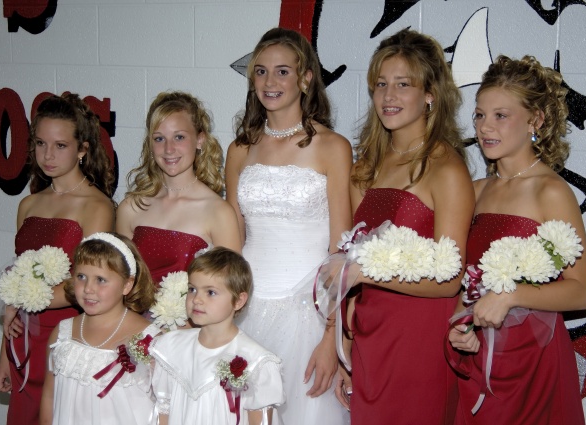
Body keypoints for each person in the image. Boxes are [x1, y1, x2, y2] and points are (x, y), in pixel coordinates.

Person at [448, 55, 586, 424]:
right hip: (478, 361)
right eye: (480, 115)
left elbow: (583, 292)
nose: (485, 126)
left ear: (535, 120)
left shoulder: (551, 191)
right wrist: (461, 325)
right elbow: (465, 280)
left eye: (501, 115)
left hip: (533, 365)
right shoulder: (475, 190)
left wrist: (511, 294)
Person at [339, 29, 475, 424]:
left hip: (420, 338)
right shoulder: (365, 167)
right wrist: (345, 338)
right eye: (381, 84)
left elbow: (450, 279)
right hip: (369, 333)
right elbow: (353, 252)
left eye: (403, 84)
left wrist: (364, 274)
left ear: (430, 94)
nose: (388, 96)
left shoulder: (447, 169)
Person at [225, 27, 352, 423]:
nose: (270, 82)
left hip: (309, 314)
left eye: (282, 71)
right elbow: (232, 242)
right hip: (245, 309)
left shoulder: (333, 147)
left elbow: (342, 252)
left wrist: (333, 339)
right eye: (261, 72)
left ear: (306, 78)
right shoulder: (239, 149)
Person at [0, 93, 115, 425]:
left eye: (60, 145)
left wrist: (23, 298)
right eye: (40, 143)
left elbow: (87, 287)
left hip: (67, 338)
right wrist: (4, 354)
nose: (48, 155)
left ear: (82, 149)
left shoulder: (97, 207)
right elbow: (17, 281)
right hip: (23, 342)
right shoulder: (28, 205)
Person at [117, 91, 241, 287]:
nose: (169, 149)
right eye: (159, 139)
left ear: (200, 139)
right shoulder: (130, 208)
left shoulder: (219, 213)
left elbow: (229, 290)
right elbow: (119, 283)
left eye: (179, 137)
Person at [150, 247, 285, 425]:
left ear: (239, 301)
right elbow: (163, 411)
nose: (196, 299)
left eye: (210, 292)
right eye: (192, 289)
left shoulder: (255, 360)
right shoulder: (171, 347)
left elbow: (260, 421)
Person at [40, 232, 160, 425]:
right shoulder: (62, 333)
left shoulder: (149, 339)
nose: (88, 288)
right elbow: (49, 396)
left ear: (127, 285)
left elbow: (166, 406)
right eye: (81, 277)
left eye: (100, 280)